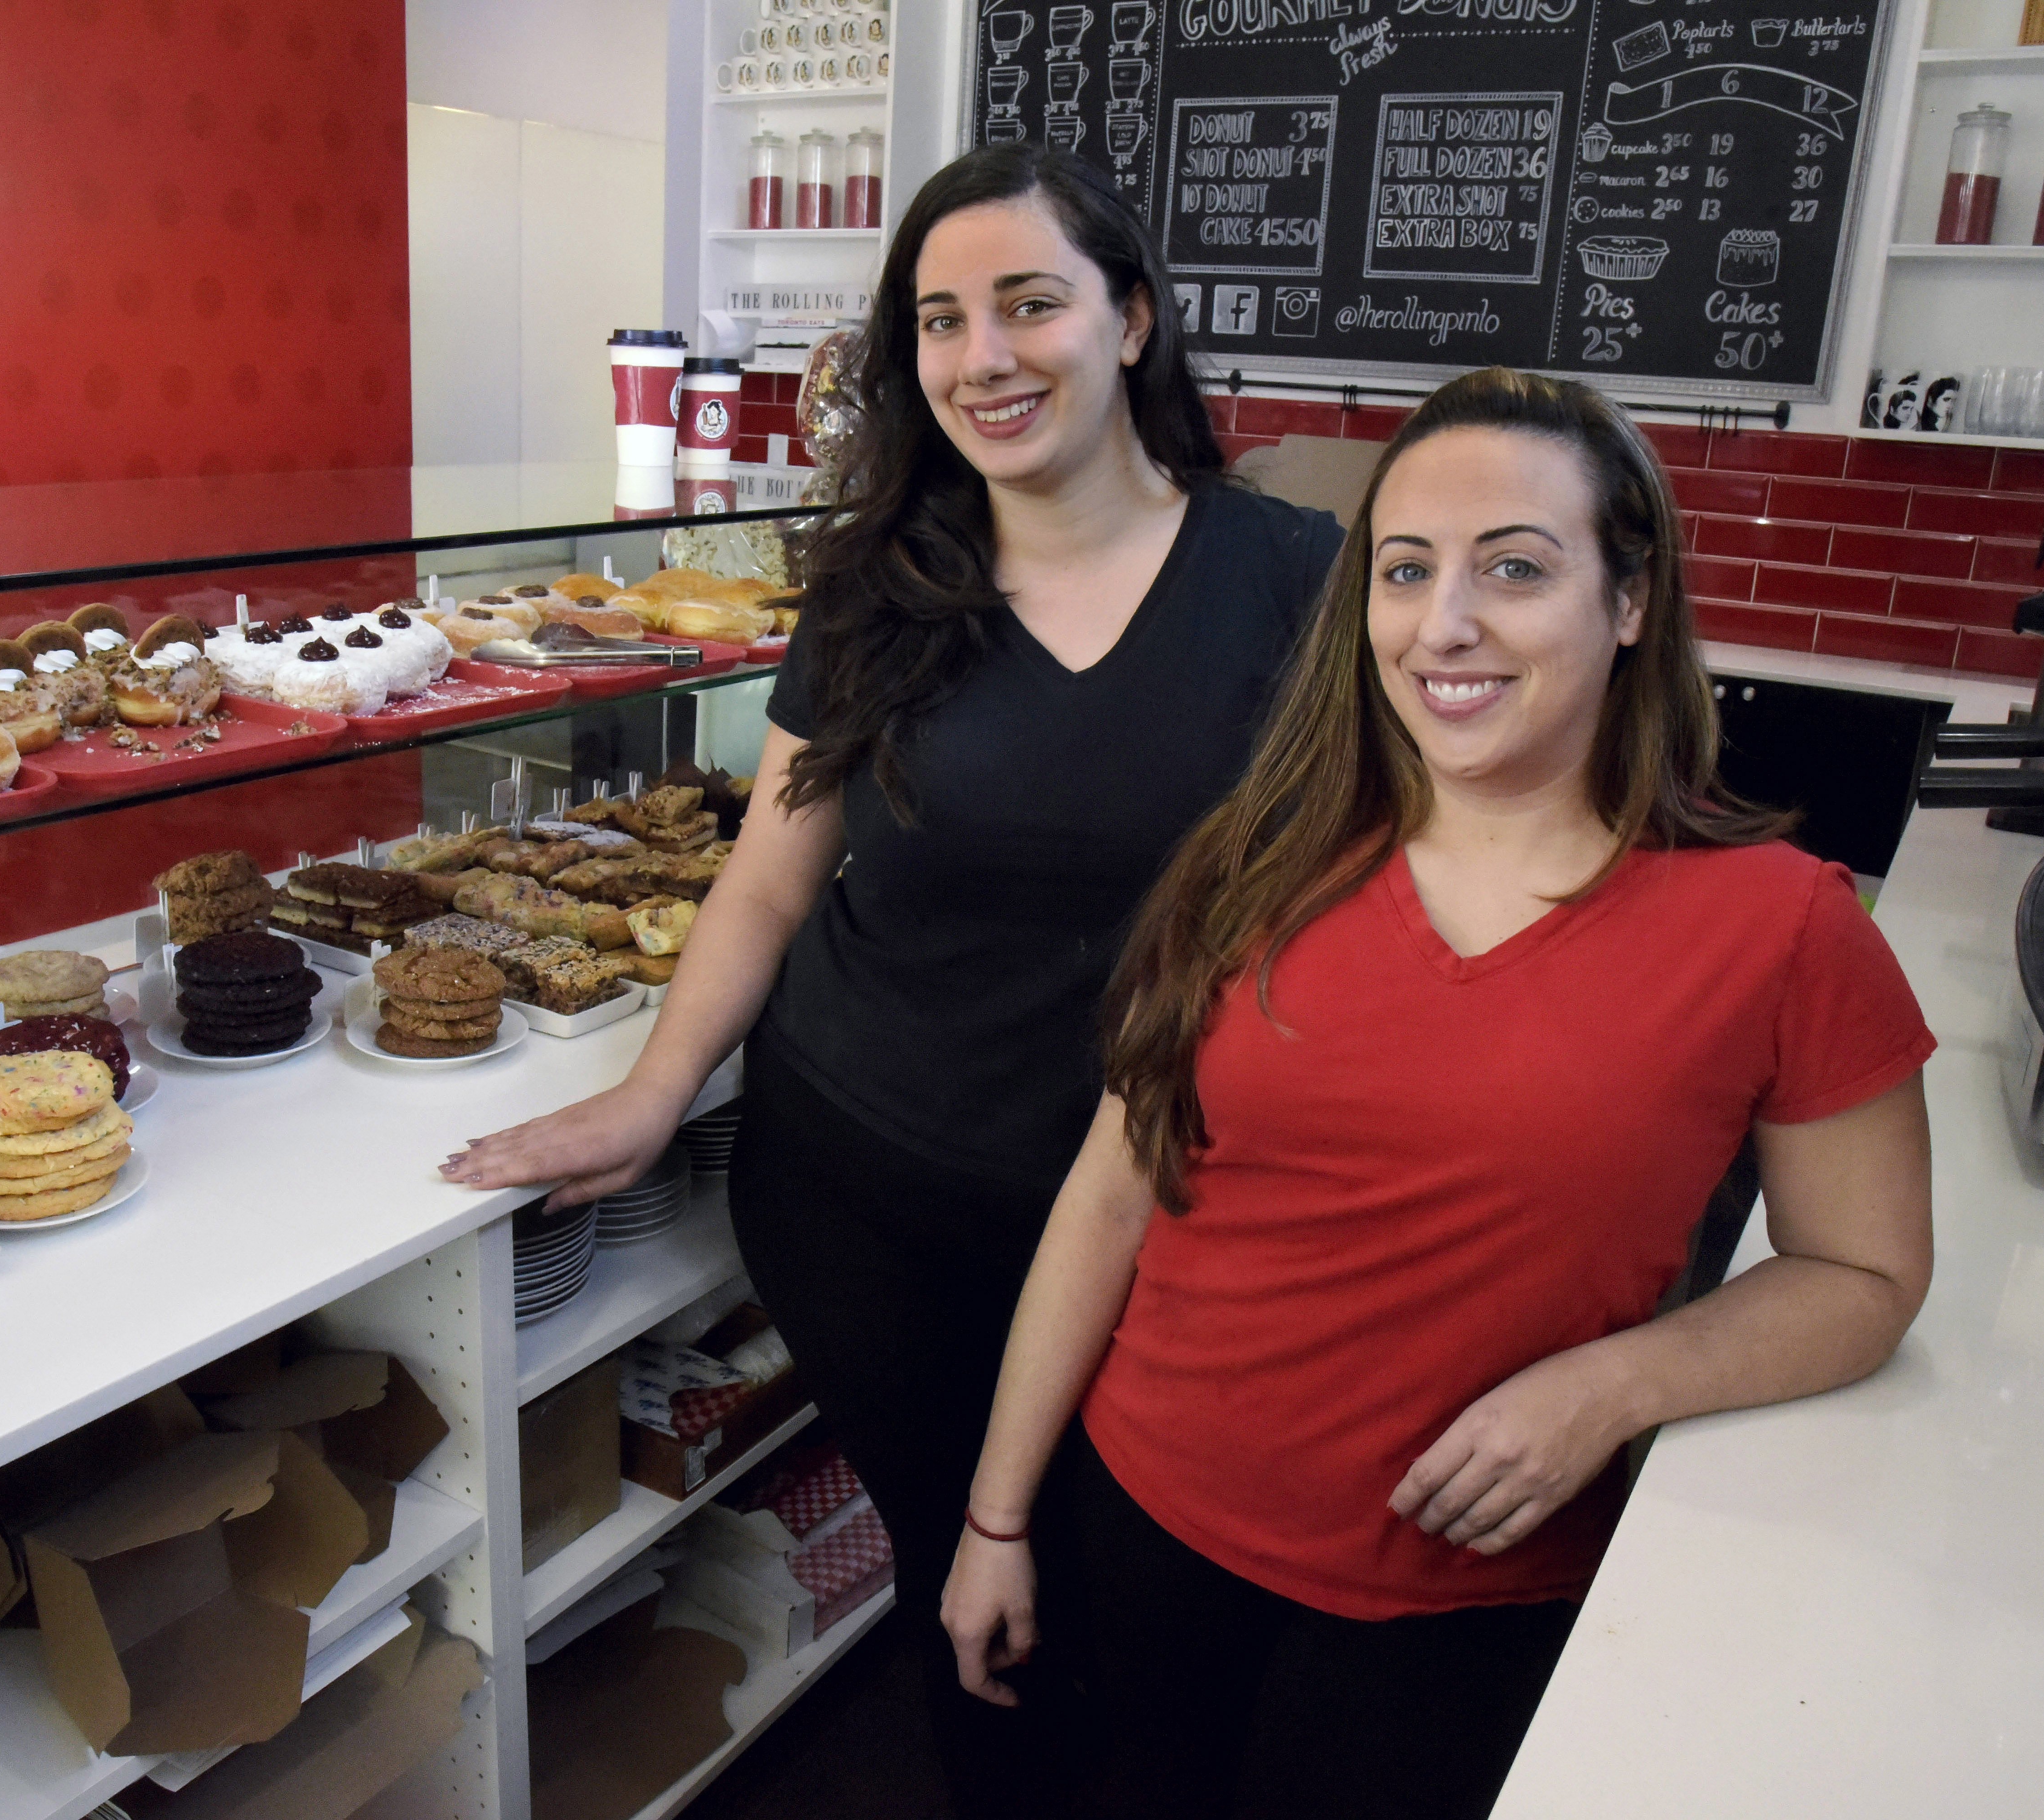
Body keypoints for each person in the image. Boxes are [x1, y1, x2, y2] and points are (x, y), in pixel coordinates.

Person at [441, 143, 1343, 1811]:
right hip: (867, 1200)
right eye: (940, 321)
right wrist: (649, 1097)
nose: (982, 357)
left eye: (1028, 305)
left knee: (1140, 1609)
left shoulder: (1296, 582)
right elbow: (772, 879)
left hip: (1162, 1223)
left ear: (1132, 319)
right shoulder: (883, 584)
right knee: (974, 1596)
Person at [939, 367, 1938, 1820]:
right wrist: (998, 1513)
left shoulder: (1785, 930)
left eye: (1516, 569)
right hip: (1143, 1525)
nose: (1444, 625)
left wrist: (1613, 1385)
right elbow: (1110, 1197)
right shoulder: (1261, 858)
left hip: (1460, 1611)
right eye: (1404, 572)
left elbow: (1866, 1272)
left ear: (1632, 599)